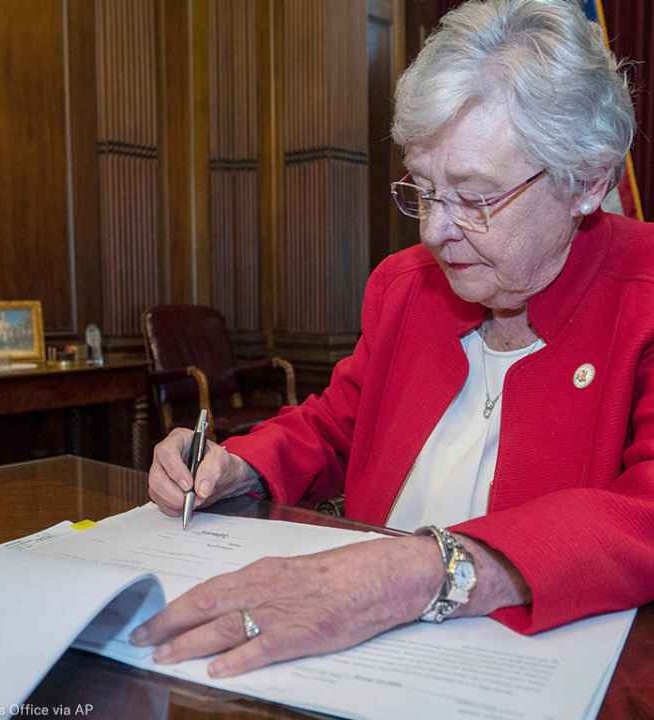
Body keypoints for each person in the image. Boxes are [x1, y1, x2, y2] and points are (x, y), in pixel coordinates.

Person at [131, 0, 654, 679]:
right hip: (362, 663)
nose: (434, 231)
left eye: (473, 196)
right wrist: (239, 466)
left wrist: (417, 570)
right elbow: (337, 423)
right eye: (425, 190)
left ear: (587, 182)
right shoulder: (405, 286)